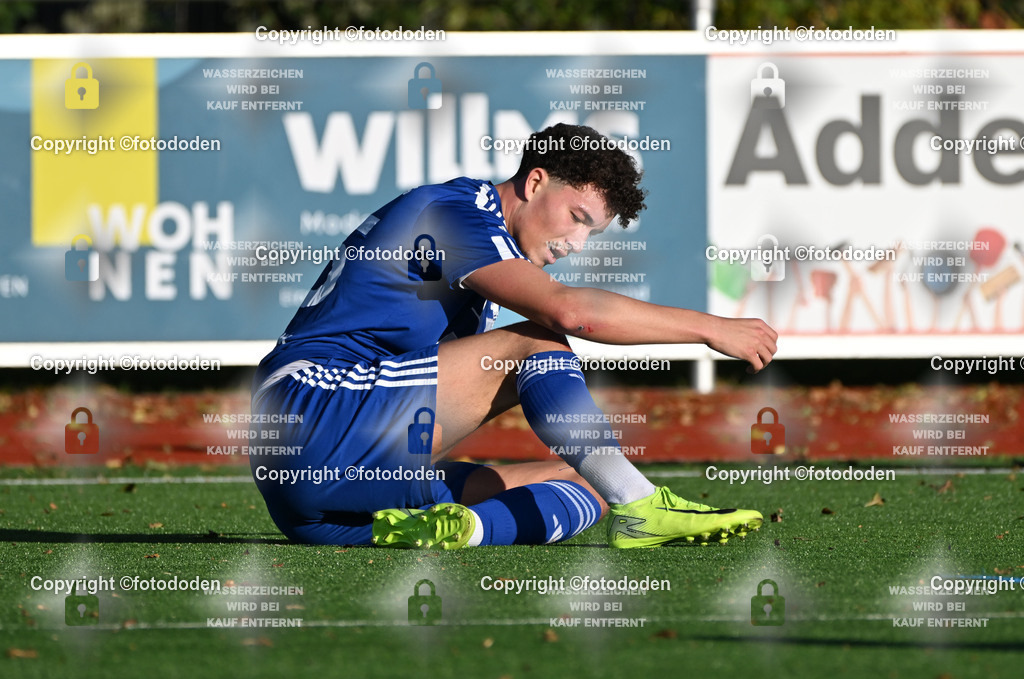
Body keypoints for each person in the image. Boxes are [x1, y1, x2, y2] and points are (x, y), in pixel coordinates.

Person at [249, 122, 777, 549]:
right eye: (576, 217)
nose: (576, 242)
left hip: (322, 502)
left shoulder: (482, 247)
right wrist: (709, 328)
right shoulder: (454, 211)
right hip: (310, 411)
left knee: (588, 480)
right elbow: (570, 313)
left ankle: (466, 531)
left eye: (590, 233)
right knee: (537, 340)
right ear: (535, 182)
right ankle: (643, 509)